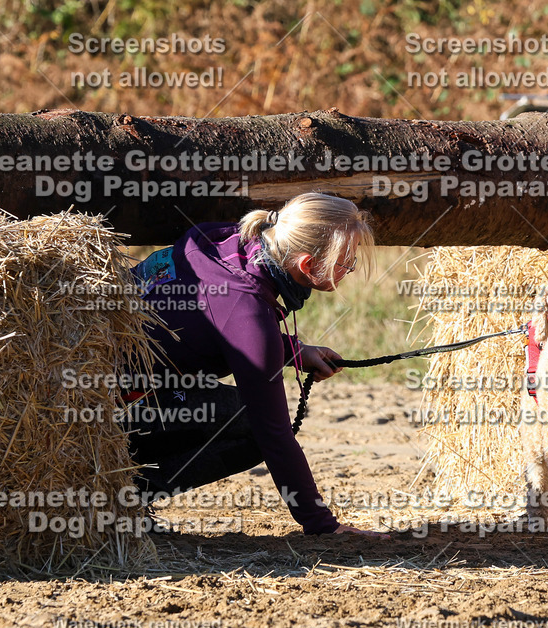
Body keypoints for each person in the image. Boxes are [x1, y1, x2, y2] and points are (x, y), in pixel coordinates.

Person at [126, 192, 385, 537]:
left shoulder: (226, 241)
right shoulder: (246, 311)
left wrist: (293, 350)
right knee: (252, 429)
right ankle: (120, 495)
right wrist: (322, 525)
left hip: (99, 379)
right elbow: (273, 433)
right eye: (345, 262)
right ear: (307, 265)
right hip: (114, 411)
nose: (349, 269)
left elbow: (215, 323)